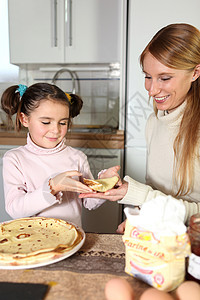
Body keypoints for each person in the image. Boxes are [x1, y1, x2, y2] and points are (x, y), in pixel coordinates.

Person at [79, 23, 200, 229]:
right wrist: (139, 215)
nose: (152, 90)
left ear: (195, 72)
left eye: (165, 78)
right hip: (161, 236)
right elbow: (156, 192)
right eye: (147, 76)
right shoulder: (155, 121)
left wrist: (134, 193)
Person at [1, 82, 106, 227]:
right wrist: (53, 186)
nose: (55, 130)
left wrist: (105, 184)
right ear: (24, 119)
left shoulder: (77, 157)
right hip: (32, 240)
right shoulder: (15, 159)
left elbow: (89, 202)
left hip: (71, 239)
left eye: (62, 123)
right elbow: (15, 209)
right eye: (46, 122)